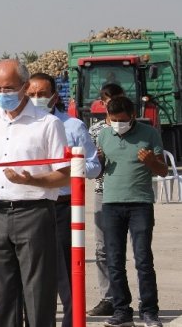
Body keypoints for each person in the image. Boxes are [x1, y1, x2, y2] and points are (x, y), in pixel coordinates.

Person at [0, 59, 70, 327]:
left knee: (37, 290)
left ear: (25, 86)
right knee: (3, 290)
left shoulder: (47, 124)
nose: (2, 94)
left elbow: (64, 173)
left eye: (9, 88)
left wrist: (33, 180)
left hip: (34, 213)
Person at [26, 72, 101, 327]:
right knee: (33, 274)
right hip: (29, 208)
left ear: (54, 97)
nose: (36, 99)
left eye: (41, 94)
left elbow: (94, 167)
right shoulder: (20, 127)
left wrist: (72, 167)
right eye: (31, 95)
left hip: (61, 208)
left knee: (67, 276)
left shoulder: (73, 126)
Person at [97, 96, 165, 327]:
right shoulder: (104, 135)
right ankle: (121, 311)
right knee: (114, 261)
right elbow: (98, 172)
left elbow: (163, 171)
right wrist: (97, 163)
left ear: (133, 116)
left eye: (122, 120)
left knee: (143, 259)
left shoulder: (149, 134)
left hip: (140, 204)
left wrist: (150, 162)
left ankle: (149, 311)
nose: (117, 124)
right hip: (111, 204)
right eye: (113, 120)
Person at [86, 83, 125, 317]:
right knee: (103, 250)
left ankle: (134, 299)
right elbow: (92, 167)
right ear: (102, 103)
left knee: (137, 252)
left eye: (117, 98)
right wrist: (97, 160)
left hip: (130, 194)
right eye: (109, 100)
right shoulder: (95, 131)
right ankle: (108, 298)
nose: (113, 103)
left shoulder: (136, 127)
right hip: (104, 193)